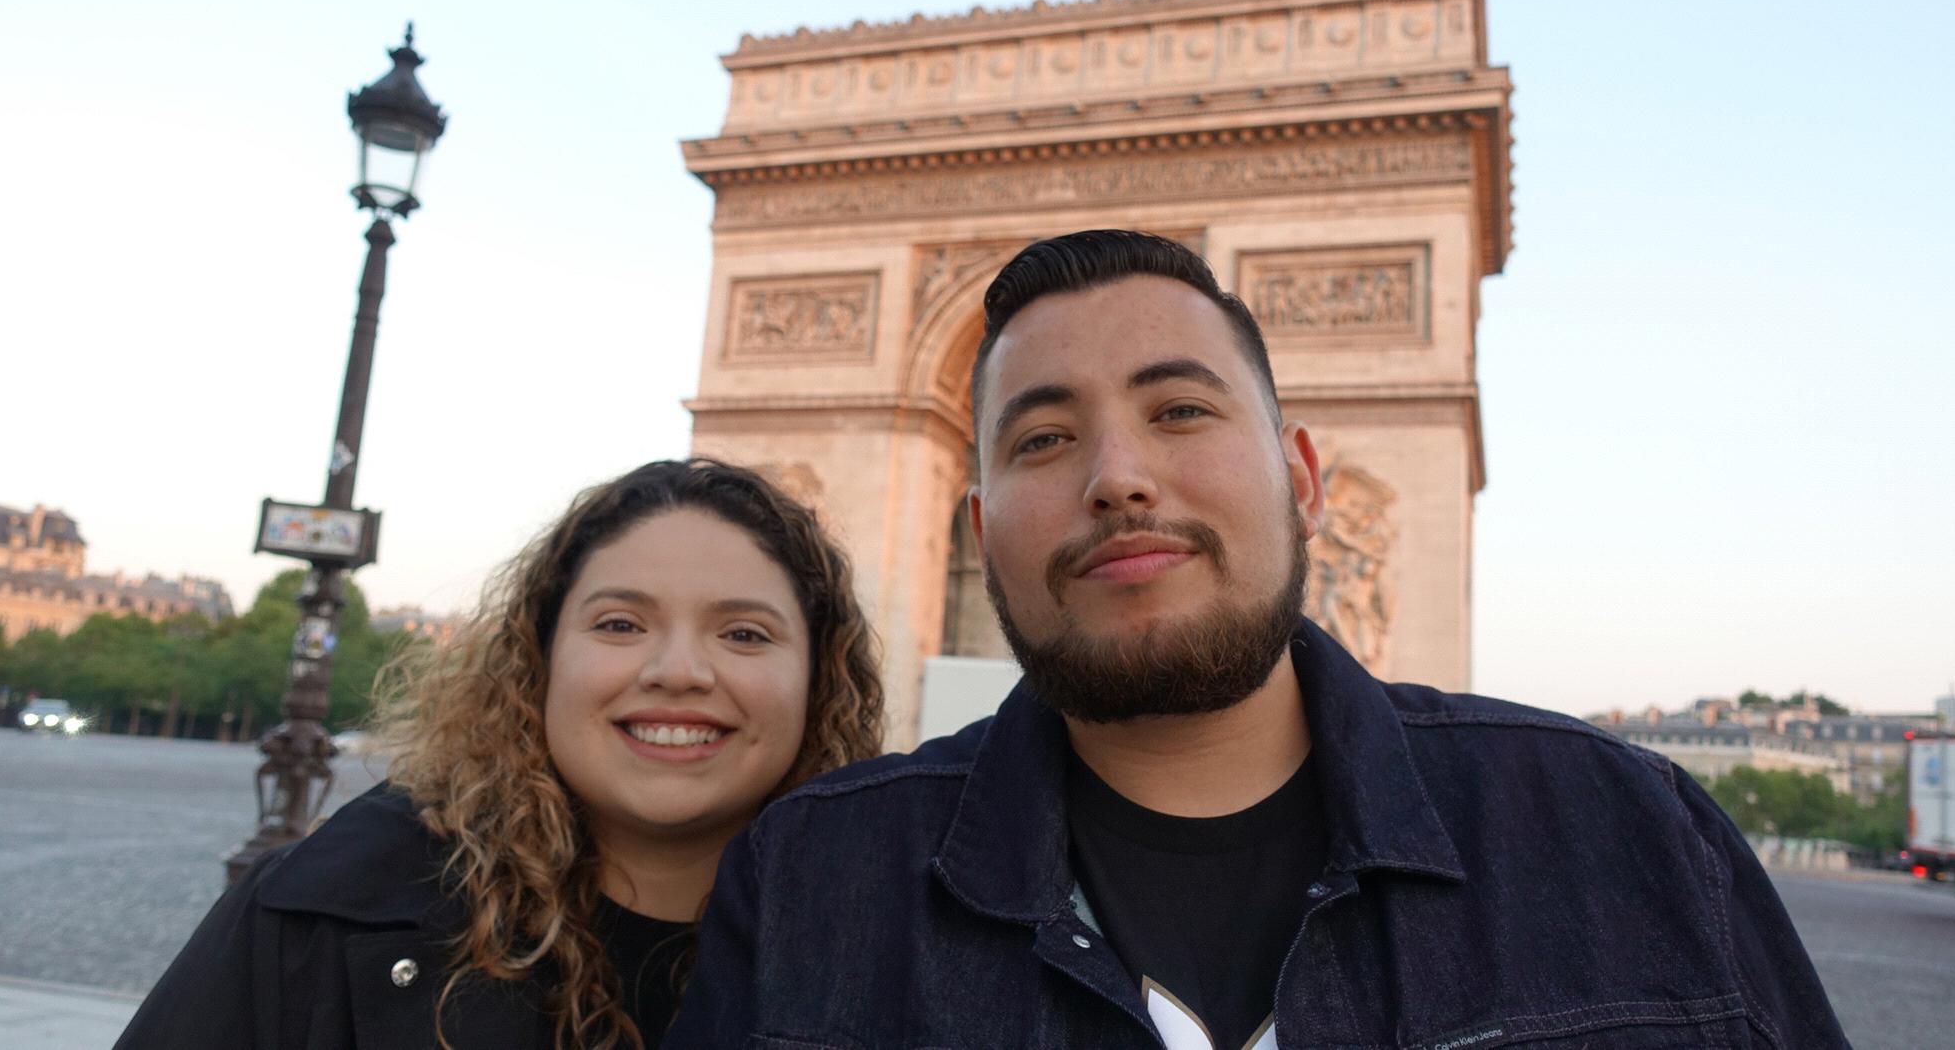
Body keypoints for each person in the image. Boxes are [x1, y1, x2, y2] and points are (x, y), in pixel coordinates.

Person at [668, 231, 1847, 1048]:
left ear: (1303, 480)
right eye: (1041, 439)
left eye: (1179, 409)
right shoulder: (809, 884)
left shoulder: (1632, 833)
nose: (1118, 477)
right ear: (981, 526)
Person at [118, 459, 885, 1050]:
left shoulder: (906, 941)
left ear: (818, 679)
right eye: (620, 625)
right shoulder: (317, 911)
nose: (679, 670)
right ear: (539, 659)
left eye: (744, 634)